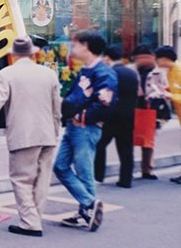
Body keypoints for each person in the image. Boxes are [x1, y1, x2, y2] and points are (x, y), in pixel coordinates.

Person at [0, 37, 60, 237]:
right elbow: (56, 107)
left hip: (23, 135)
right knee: (41, 179)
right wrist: (56, 131)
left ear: (13, 54)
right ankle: (35, 218)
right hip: (48, 133)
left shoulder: (6, 74)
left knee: (21, 179)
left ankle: (30, 223)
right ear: (33, 53)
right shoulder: (49, 74)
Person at [54, 31, 117, 232]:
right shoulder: (86, 70)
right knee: (60, 166)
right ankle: (89, 204)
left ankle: (87, 210)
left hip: (85, 128)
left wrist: (84, 117)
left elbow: (106, 103)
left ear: (86, 46)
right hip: (74, 126)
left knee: (84, 170)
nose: (73, 48)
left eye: (76, 44)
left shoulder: (103, 72)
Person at [94, 46, 138, 188]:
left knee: (100, 145)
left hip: (111, 116)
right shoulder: (131, 73)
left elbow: (105, 95)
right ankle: (126, 180)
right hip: (129, 115)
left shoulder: (109, 73)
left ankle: (98, 175)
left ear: (107, 57)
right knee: (126, 148)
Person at [131, 44, 169, 180]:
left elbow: (165, 90)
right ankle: (128, 168)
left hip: (151, 109)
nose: (141, 60)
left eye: (144, 57)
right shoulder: (132, 70)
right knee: (130, 139)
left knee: (148, 140)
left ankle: (147, 170)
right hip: (133, 108)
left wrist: (154, 93)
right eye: (138, 58)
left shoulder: (159, 72)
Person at [155, 46, 181, 184]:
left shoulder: (179, 70)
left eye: (157, 58)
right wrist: (165, 89)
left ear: (164, 59)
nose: (156, 61)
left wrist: (171, 95)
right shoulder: (171, 71)